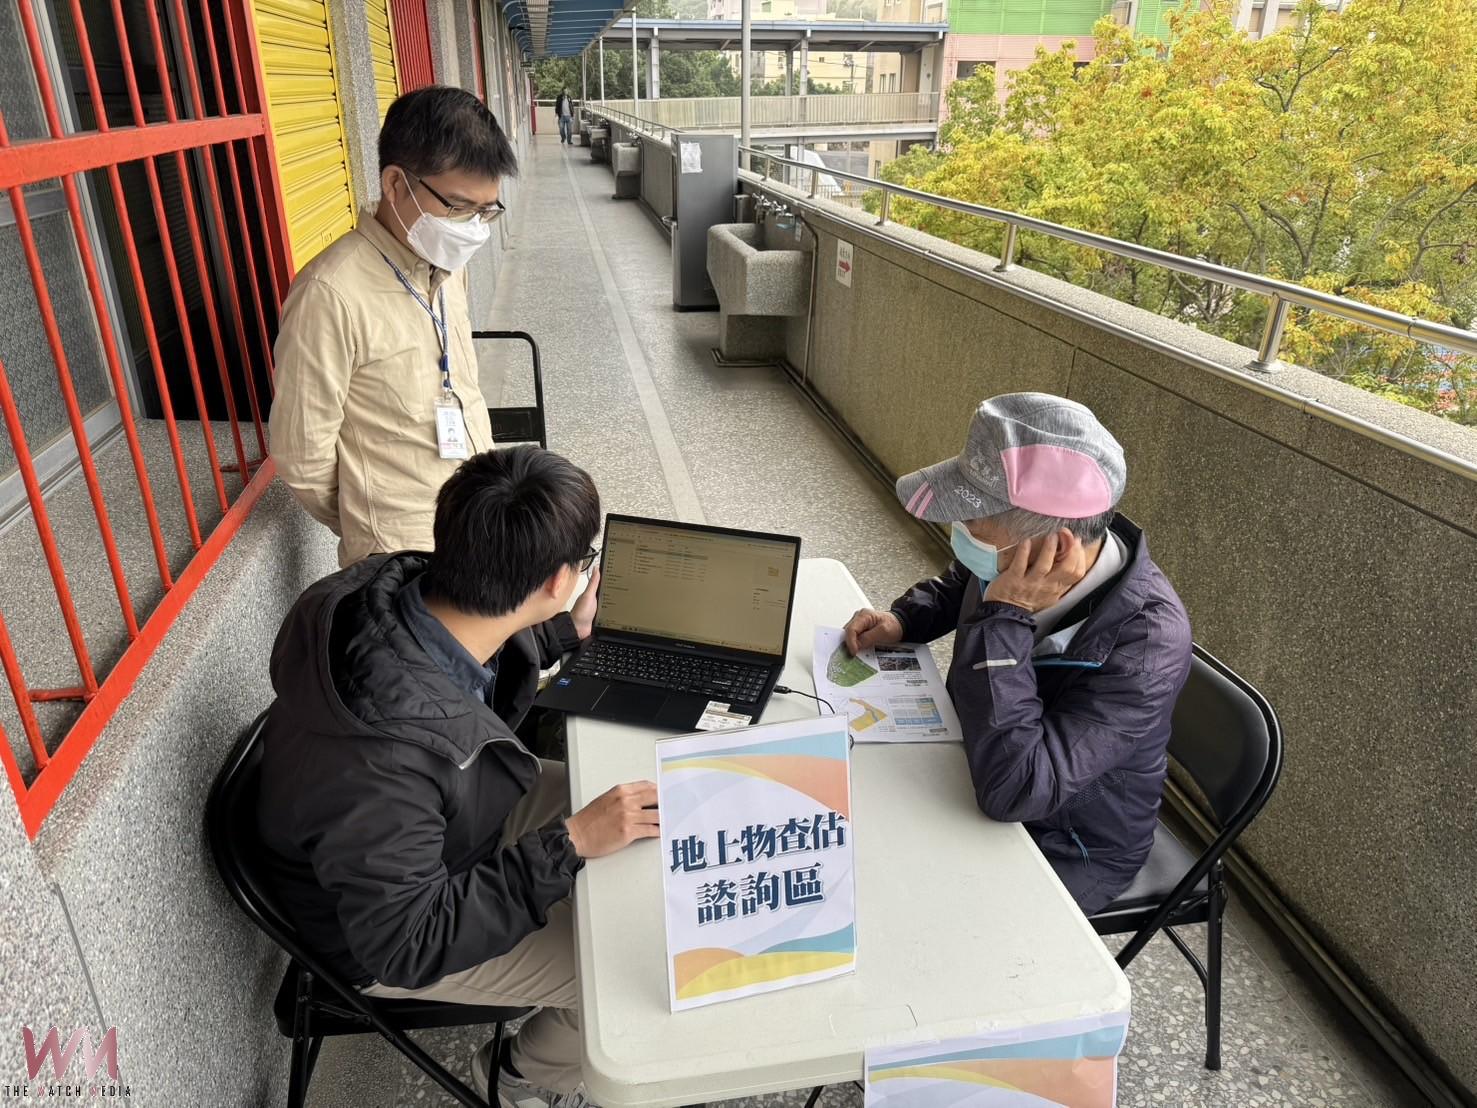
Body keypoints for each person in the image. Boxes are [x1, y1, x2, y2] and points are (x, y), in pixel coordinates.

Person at [255, 446, 653, 1107]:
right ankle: (519, 1078)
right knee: (626, 972)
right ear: (558, 579)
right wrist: (569, 845)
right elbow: (406, 943)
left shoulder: (406, 591)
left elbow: (473, 656)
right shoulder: (381, 764)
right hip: (391, 929)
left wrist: (565, 631)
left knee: (648, 814)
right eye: (585, 562)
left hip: (451, 814)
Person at [843, 393, 1192, 915]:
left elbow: (1019, 790)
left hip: (1065, 839)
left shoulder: (1146, 646)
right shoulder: (1017, 560)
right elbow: (964, 581)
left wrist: (1004, 619)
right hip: (975, 758)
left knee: (909, 911)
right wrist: (905, 619)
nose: (961, 535)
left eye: (974, 525)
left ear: (1058, 548)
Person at [269, 86, 514, 568]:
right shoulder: (330, 292)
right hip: (404, 560)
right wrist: (375, 522)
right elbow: (302, 456)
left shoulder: (447, 267)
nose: (473, 228)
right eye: (458, 207)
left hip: (480, 527)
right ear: (396, 184)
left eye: (486, 211)